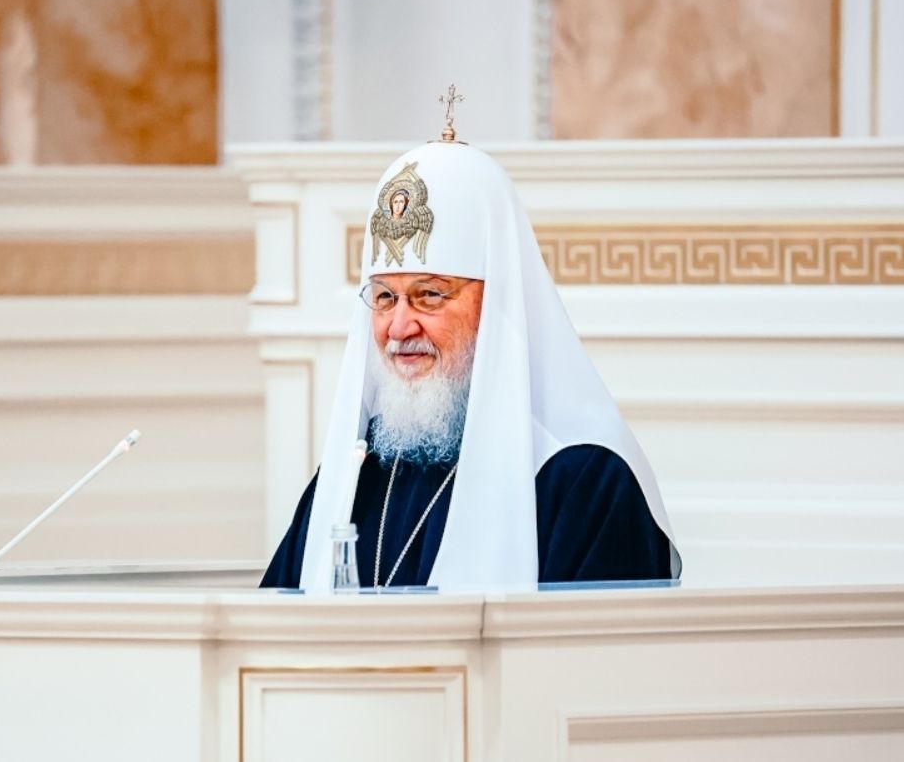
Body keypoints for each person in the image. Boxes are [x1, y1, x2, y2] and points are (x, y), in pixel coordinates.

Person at [261, 114, 680, 591]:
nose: (399, 327)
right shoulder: (358, 469)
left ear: (499, 304)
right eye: (385, 298)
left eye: (429, 295)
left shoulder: (584, 480)